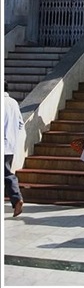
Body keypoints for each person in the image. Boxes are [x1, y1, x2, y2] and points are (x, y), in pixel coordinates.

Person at [4, 81, 25, 217]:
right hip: (9, 145)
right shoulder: (13, 102)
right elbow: (20, 123)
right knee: (6, 172)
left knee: (6, 174)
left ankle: (17, 199)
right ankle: (16, 199)